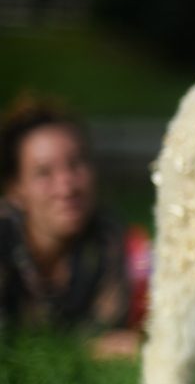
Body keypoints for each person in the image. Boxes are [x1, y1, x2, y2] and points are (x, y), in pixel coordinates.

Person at [0, 96, 149, 360]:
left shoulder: (106, 235)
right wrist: (87, 347)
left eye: (76, 164)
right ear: (15, 190)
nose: (67, 186)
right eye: (44, 173)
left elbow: (111, 330)